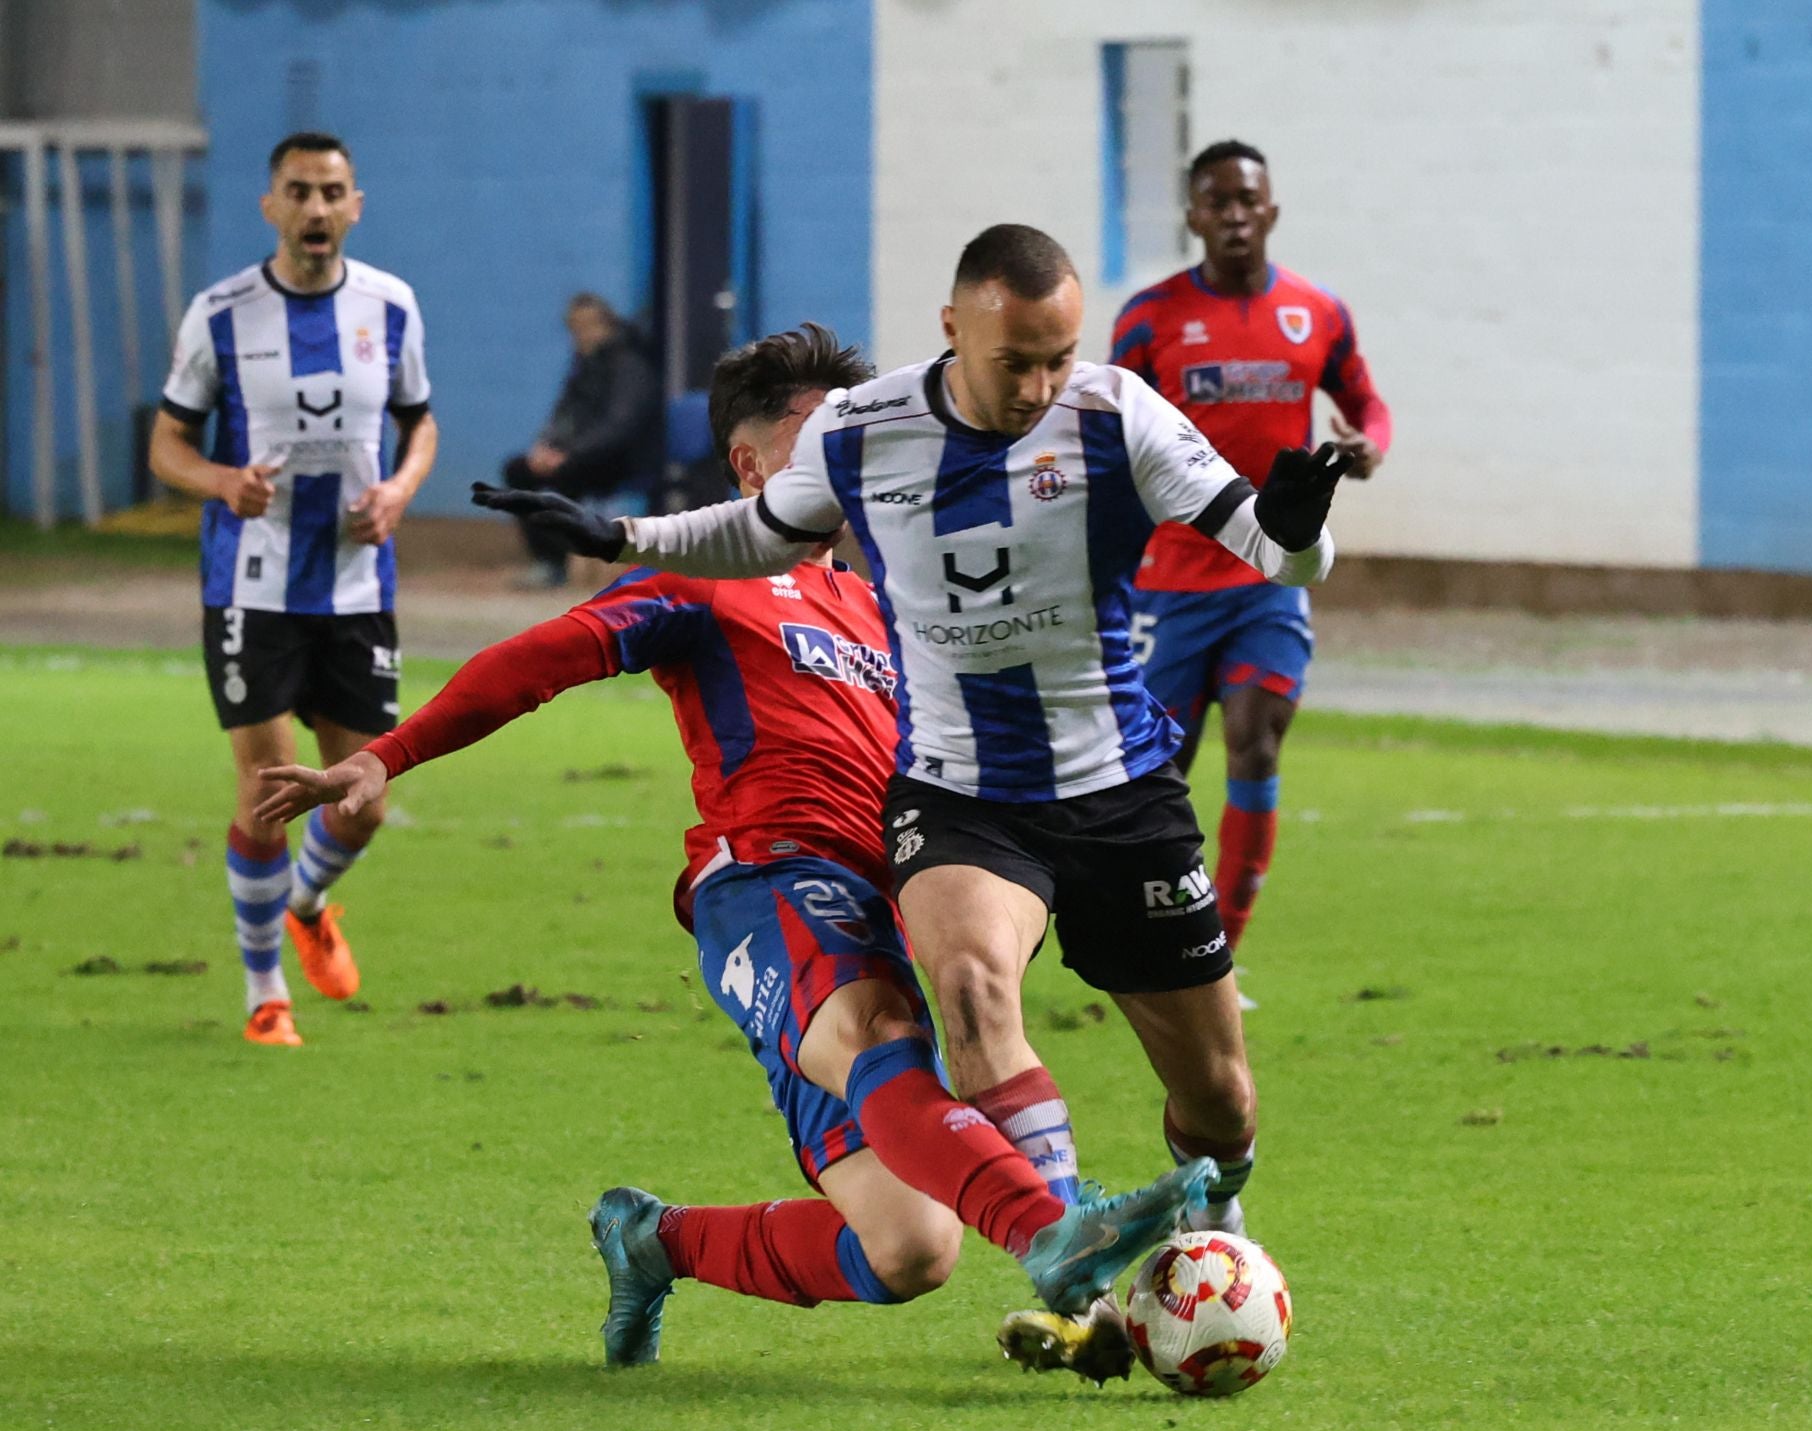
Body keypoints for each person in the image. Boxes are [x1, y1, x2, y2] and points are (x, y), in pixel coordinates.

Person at [472, 225, 1353, 1382]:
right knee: (975, 995)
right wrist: (626, 535)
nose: (1039, 387)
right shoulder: (862, 427)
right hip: (962, 796)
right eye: (1015, 362)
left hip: (1124, 795)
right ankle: (1074, 1262)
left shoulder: (1116, 415)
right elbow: (757, 531)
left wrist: (1297, 533)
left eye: (1058, 357)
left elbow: (1272, 547)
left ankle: (1221, 1225)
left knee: (1221, 1098)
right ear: (955, 329)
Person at [256, 323, 1213, 1367]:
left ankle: (652, 1241)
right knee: (875, 1031)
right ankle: (1054, 1244)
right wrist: (386, 757)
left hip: (892, 901)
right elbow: (542, 659)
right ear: (751, 468)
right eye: (818, 442)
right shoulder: (705, 579)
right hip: (770, 884)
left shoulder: (900, 602)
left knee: (909, 1249)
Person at [149, 130, 437, 1048]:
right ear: (271, 206)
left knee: (364, 799)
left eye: (333, 192)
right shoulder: (221, 314)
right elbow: (166, 446)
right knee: (268, 793)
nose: (317, 209)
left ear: (356, 206)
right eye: (299, 192)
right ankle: (264, 989)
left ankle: (308, 904)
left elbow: (420, 422)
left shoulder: (390, 307)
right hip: (253, 589)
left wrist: (397, 491)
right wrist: (222, 482)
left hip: (357, 587)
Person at [1111, 139, 1392, 1007]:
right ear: (1194, 217)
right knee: (1161, 771)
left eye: (1248, 200)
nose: (1234, 215)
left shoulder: (1317, 313)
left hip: (1267, 577)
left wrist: (1366, 450)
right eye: (1216, 202)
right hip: (1170, 581)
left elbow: (1368, 406)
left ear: (1271, 210)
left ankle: (1220, 960)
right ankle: (1143, 937)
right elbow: (1103, 430)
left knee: (1257, 737)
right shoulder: (1151, 318)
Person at [500, 293, 659, 590]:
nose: (579, 336)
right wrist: (545, 447)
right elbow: (564, 413)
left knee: (562, 478)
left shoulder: (630, 365)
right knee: (518, 471)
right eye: (574, 329)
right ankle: (549, 561)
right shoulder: (584, 365)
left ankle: (570, 557)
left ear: (605, 325)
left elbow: (619, 428)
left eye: (585, 328)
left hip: (621, 459)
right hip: (578, 454)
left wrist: (569, 454)